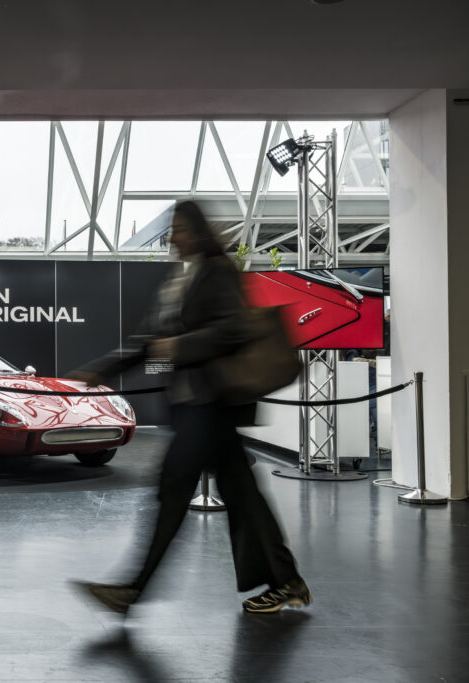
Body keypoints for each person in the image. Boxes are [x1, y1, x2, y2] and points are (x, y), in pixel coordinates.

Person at [71, 200, 311, 615]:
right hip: (195, 408)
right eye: (172, 229)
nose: (173, 237)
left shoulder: (217, 271)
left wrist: (179, 346)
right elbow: (150, 343)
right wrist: (102, 371)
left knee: (173, 493)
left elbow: (232, 329)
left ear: (198, 231)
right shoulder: (182, 277)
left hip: (209, 406)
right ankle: (287, 582)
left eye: (180, 229)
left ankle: (133, 590)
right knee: (244, 498)